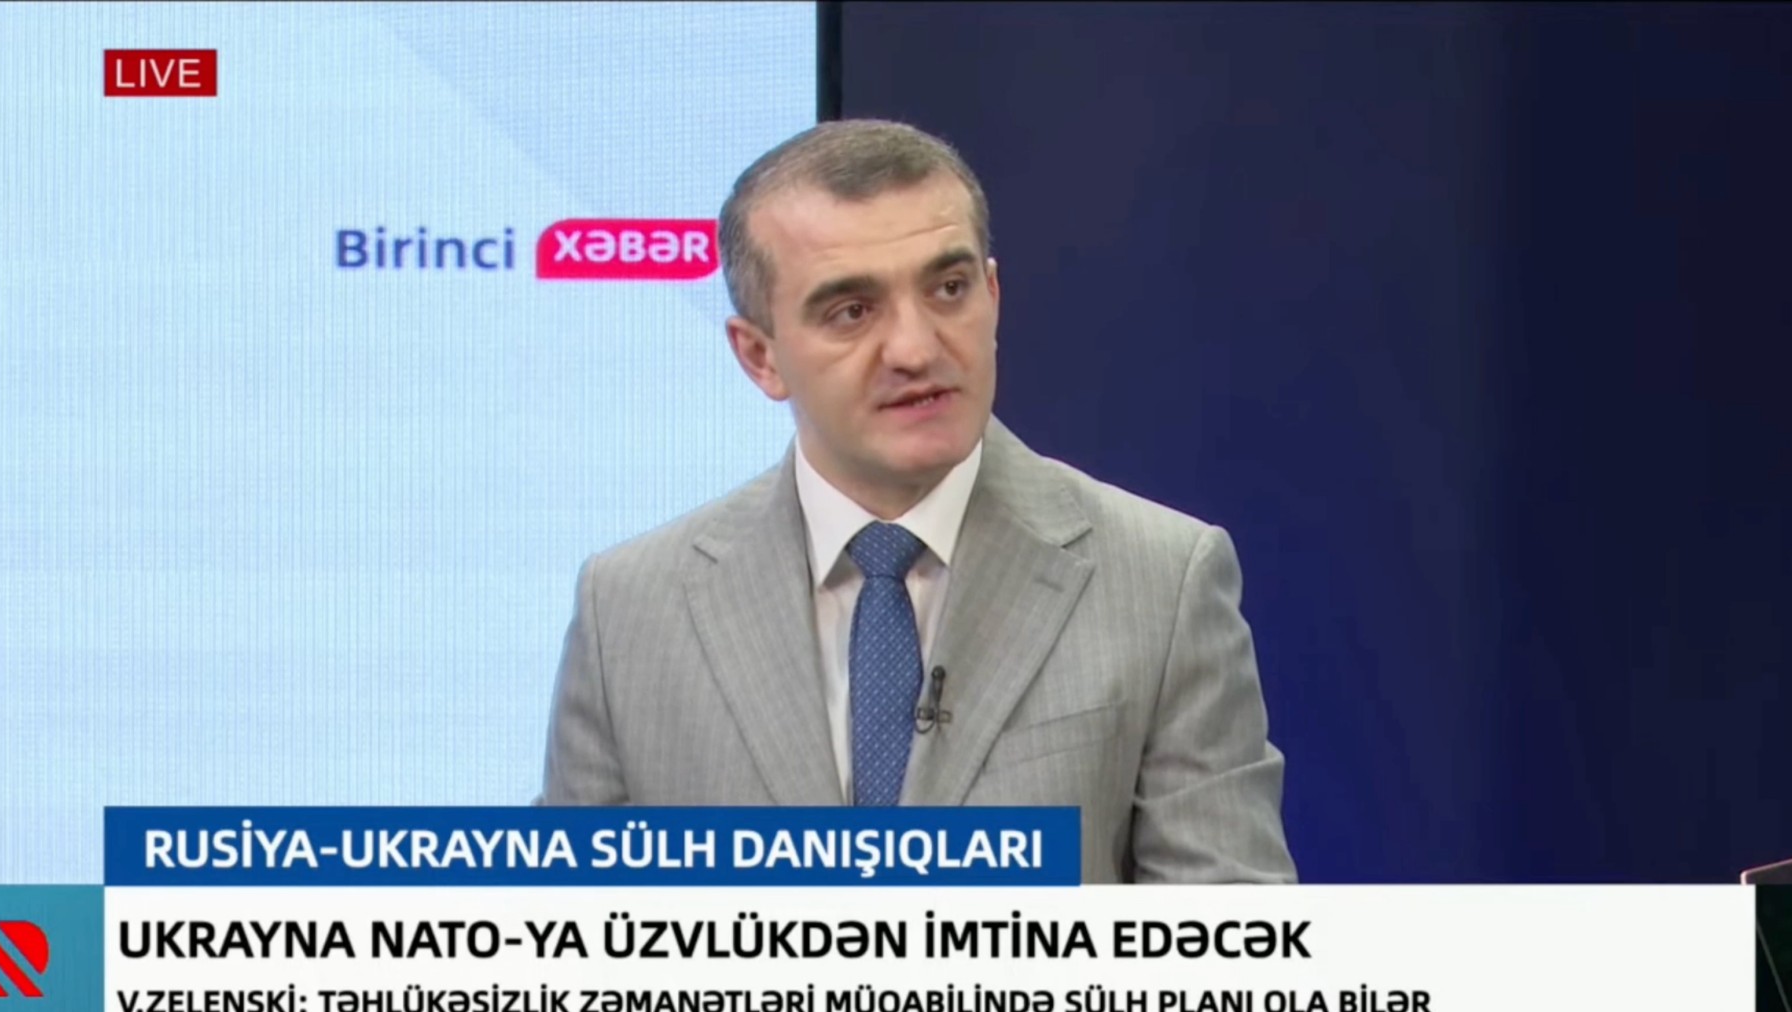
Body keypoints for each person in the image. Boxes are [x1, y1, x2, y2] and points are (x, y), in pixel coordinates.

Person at [540, 118, 1293, 886]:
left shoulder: (1162, 579)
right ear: (760, 356)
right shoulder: (627, 610)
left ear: (992, 296)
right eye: (851, 310)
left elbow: (1233, 941)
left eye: (948, 289)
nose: (917, 348)